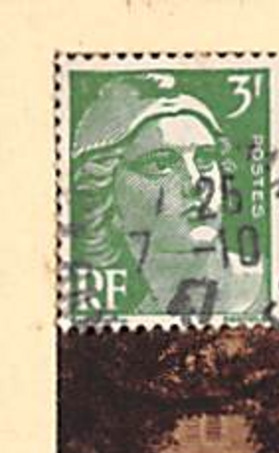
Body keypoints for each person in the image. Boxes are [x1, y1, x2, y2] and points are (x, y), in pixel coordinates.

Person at [69, 73, 268, 318]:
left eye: (205, 160)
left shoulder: (272, 284)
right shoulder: (93, 302)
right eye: (161, 165)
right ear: (104, 193)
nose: (197, 184)